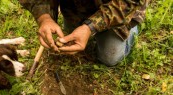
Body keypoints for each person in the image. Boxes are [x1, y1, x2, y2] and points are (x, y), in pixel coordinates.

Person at [18, 0, 150, 66]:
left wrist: (89, 28)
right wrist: (44, 17)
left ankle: (130, 26)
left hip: (119, 5)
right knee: (70, 32)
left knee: (109, 57)